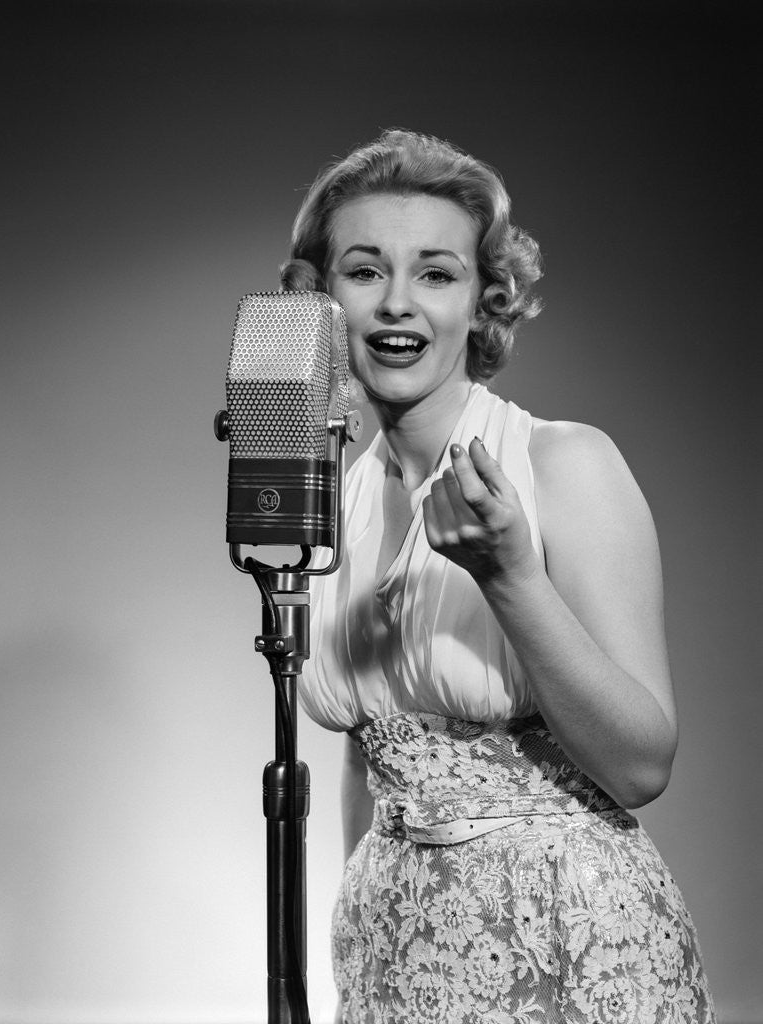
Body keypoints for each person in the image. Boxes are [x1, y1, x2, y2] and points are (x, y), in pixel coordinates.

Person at [280, 129, 715, 1023]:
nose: (397, 303)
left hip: (565, 945)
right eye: (364, 271)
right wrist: (357, 957)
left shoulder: (565, 464)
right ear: (319, 299)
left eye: (436, 274)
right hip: (395, 953)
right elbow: (371, 753)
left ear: (484, 302)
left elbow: (641, 765)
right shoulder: (336, 499)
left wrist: (511, 578)